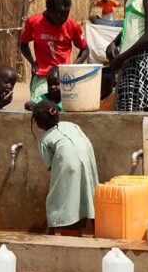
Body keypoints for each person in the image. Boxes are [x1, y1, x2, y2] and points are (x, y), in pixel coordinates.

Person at [32, 100, 99, 237]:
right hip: (87, 156)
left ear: (39, 123)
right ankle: (99, 231)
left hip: (68, 162)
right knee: (90, 192)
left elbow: (52, 166)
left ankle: (58, 231)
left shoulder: (45, 140)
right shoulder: (72, 125)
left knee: (62, 197)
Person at [20, 0, 89, 99]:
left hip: (64, 77)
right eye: (60, 14)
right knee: (42, 108)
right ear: (49, 10)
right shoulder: (34, 22)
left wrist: (73, 67)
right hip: (42, 76)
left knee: (65, 111)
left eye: (66, 13)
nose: (63, 17)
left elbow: (85, 49)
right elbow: (23, 44)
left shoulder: (72, 26)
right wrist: (33, 63)